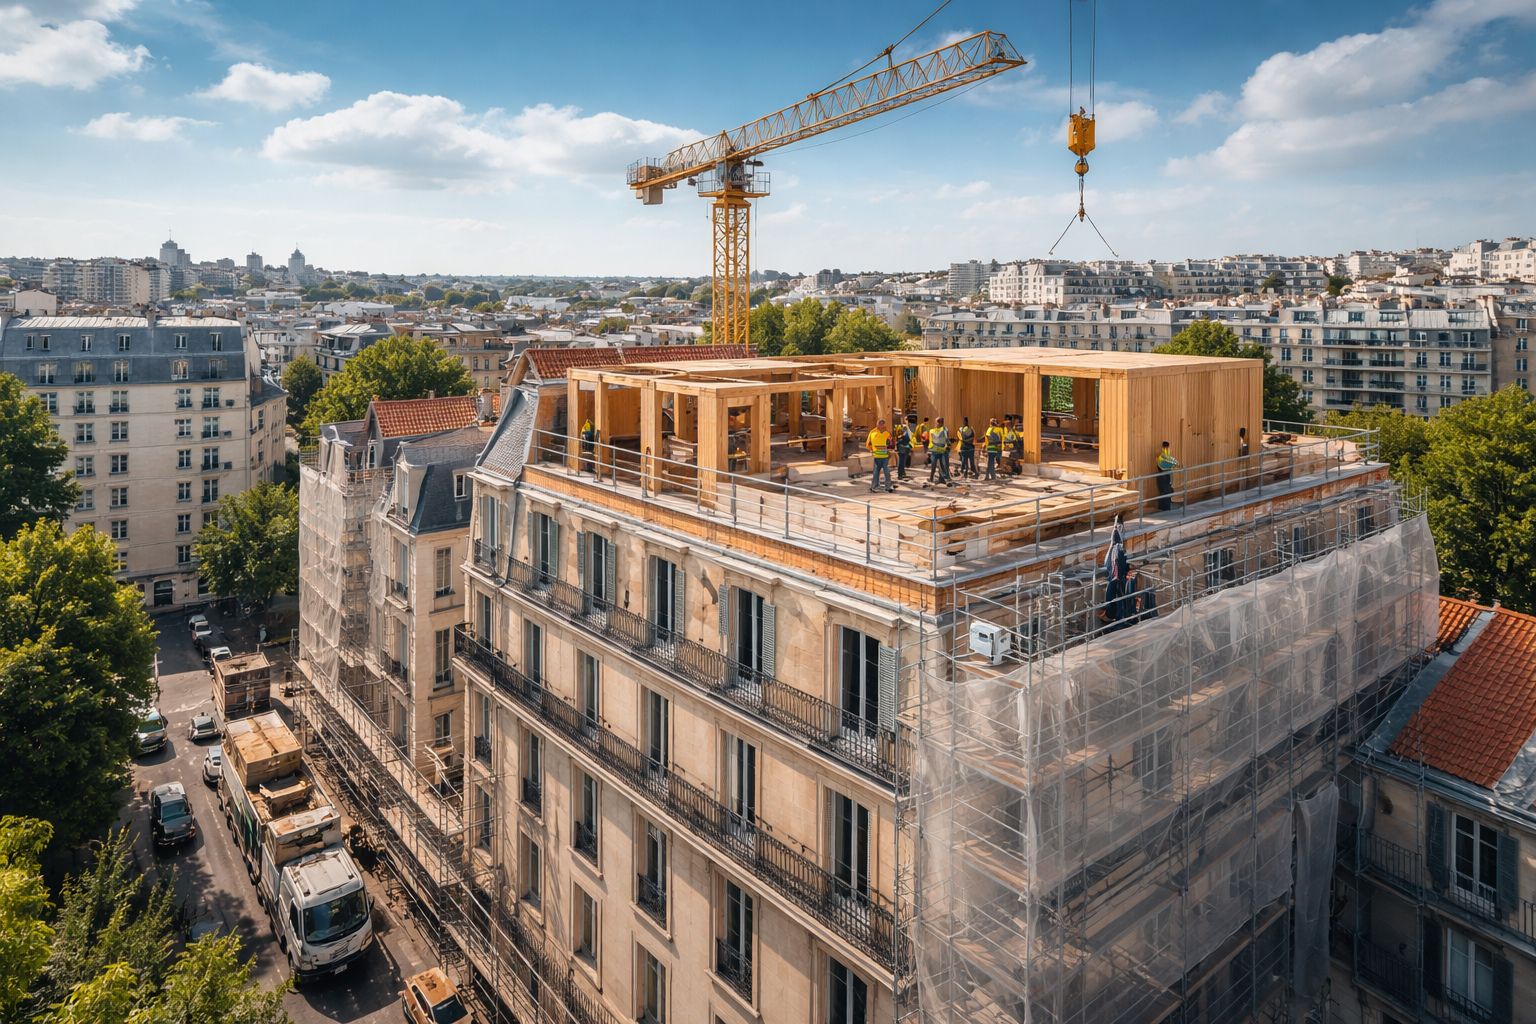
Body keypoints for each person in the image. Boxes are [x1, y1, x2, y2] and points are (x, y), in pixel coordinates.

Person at [867, 418, 894, 493]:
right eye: (881, 424)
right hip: (881, 455)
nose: (882, 426)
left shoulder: (875, 432)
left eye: (882, 424)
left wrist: (872, 450)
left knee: (879, 471)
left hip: (880, 456)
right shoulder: (885, 433)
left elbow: (868, 444)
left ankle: (876, 486)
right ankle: (885, 486)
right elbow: (891, 444)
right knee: (883, 471)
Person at [1155, 440, 1179, 511]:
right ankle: (1165, 507)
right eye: (1166, 447)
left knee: (1165, 491)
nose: (1166, 448)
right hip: (1164, 474)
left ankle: (1164, 507)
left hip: (1165, 474)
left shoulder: (1164, 454)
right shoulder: (1164, 454)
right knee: (1165, 491)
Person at [929, 418, 953, 485]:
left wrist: (948, 446)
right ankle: (931, 478)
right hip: (935, 450)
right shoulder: (932, 431)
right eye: (938, 422)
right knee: (933, 465)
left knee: (944, 465)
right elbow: (931, 441)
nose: (938, 423)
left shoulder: (945, 430)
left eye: (940, 422)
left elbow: (946, 439)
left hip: (942, 450)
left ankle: (946, 478)